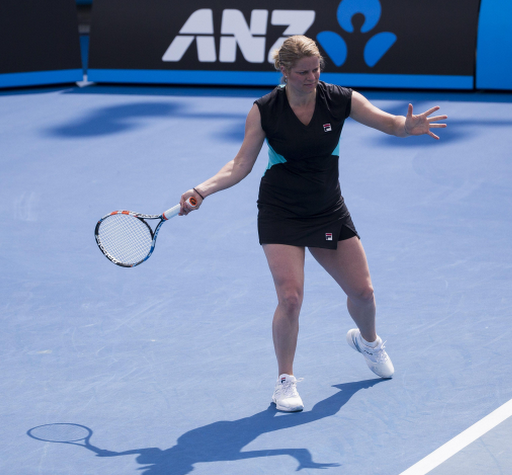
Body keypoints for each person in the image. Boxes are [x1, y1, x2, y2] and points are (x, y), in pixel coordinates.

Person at [179, 35, 447, 412]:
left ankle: (367, 340)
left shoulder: (339, 99)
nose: (312, 77)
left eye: (317, 69)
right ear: (284, 72)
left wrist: (407, 127)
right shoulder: (265, 110)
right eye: (303, 72)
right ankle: (284, 381)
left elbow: (387, 122)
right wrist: (201, 190)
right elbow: (240, 164)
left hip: (325, 208)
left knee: (364, 294)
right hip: (280, 210)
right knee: (290, 298)